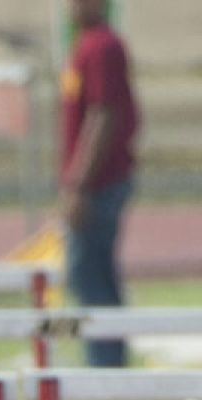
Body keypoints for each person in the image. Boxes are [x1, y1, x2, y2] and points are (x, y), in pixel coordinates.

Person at [60, 0, 139, 368]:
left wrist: (78, 184)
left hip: (99, 182)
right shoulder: (85, 44)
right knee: (94, 270)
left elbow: (103, 114)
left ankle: (105, 363)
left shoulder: (102, 46)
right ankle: (108, 359)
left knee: (87, 270)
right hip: (93, 180)